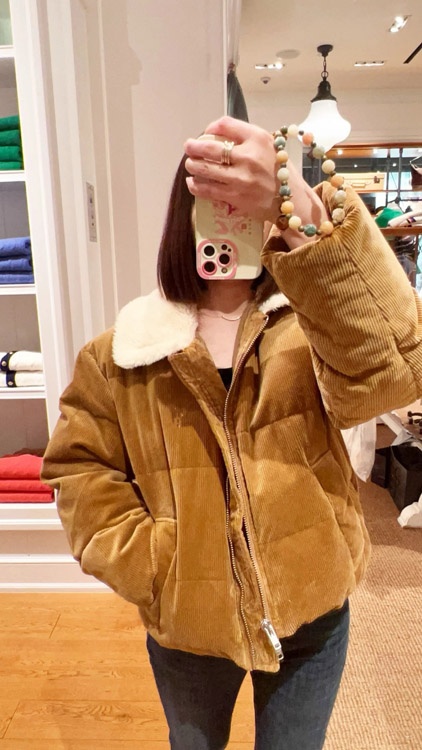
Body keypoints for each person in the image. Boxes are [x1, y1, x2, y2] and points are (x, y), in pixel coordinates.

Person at [41, 116, 422, 750]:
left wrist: (303, 211)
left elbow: (397, 372)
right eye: (213, 205)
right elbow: (79, 470)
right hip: (188, 629)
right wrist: (158, 568)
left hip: (313, 609)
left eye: (247, 204)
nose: (230, 221)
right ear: (183, 217)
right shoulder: (121, 352)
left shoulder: (313, 326)